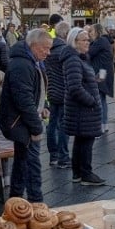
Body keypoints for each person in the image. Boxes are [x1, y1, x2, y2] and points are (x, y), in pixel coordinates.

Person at [0, 27, 51, 202]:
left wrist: (43, 106)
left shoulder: (29, 61)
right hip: (21, 123)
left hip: (23, 121)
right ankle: (37, 203)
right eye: (45, 48)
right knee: (31, 165)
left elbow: (36, 92)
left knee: (22, 163)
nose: (48, 52)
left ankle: (15, 199)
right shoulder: (22, 64)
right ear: (34, 45)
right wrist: (36, 128)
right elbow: (24, 100)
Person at [62, 28, 105, 186]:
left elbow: (79, 82)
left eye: (88, 39)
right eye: (84, 40)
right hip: (83, 110)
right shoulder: (73, 60)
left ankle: (78, 173)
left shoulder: (79, 58)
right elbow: (74, 87)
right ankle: (86, 174)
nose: (88, 42)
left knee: (81, 141)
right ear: (75, 42)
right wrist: (92, 101)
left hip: (82, 110)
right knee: (86, 141)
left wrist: (93, 79)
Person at [44, 22, 71, 168]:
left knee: (51, 125)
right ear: (66, 34)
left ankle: (53, 156)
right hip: (63, 92)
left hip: (51, 92)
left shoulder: (49, 50)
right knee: (63, 126)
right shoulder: (65, 50)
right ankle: (63, 157)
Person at [88, 23, 114, 133]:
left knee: (99, 99)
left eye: (91, 31)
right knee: (101, 99)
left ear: (97, 31)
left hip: (100, 73)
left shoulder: (100, 42)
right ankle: (104, 123)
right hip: (104, 72)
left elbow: (89, 53)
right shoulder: (105, 41)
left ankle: (101, 124)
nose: (90, 33)